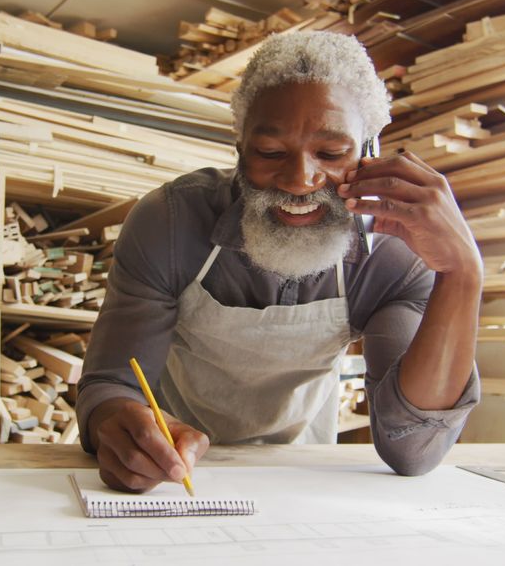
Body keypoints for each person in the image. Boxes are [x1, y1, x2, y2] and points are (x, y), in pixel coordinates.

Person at [75, 31, 482, 493]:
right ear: (240, 150)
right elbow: (111, 383)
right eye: (270, 153)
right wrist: (120, 421)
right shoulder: (169, 224)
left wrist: (462, 272)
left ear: (369, 152)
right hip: (176, 471)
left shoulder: (394, 254)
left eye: (331, 154)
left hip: (303, 477)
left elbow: (414, 449)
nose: (299, 180)